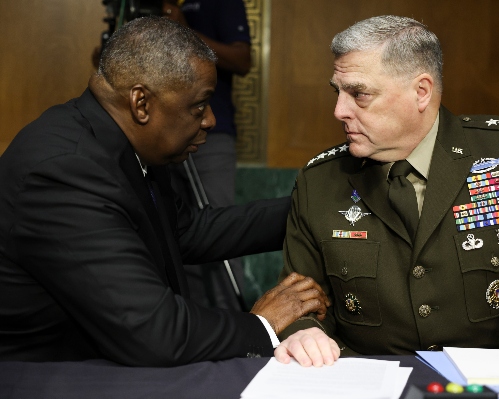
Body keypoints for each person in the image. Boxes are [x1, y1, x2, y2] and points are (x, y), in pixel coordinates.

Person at [0, 16, 329, 366]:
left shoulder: (120, 142)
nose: (210, 121)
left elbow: (188, 231)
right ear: (142, 104)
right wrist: (261, 325)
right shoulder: (63, 171)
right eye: (199, 106)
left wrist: (316, 211)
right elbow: (155, 332)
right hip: (43, 374)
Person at [274, 15, 499, 368]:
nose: (339, 110)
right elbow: (300, 299)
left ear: (421, 92)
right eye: (337, 92)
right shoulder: (320, 181)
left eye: (359, 94)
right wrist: (303, 330)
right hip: (370, 380)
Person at [163, 0, 253, 310]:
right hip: (161, 138)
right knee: (178, 239)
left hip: (211, 137)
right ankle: (198, 327)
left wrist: (185, 29)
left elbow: (243, 60)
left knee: (219, 235)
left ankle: (242, 335)